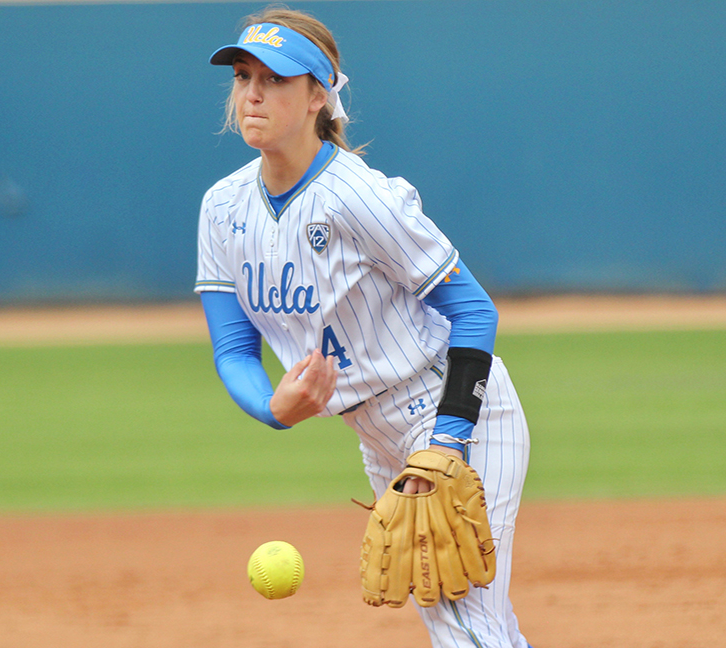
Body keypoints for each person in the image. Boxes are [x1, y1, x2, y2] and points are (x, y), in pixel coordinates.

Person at [195, 6, 532, 647]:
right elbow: (234, 346)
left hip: (453, 414)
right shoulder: (222, 208)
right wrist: (271, 408)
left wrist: (449, 439)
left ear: (320, 94)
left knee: (468, 623)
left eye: (275, 78)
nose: (253, 93)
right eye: (242, 76)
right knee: (462, 621)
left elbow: (475, 310)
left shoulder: (358, 195)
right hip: (376, 436)